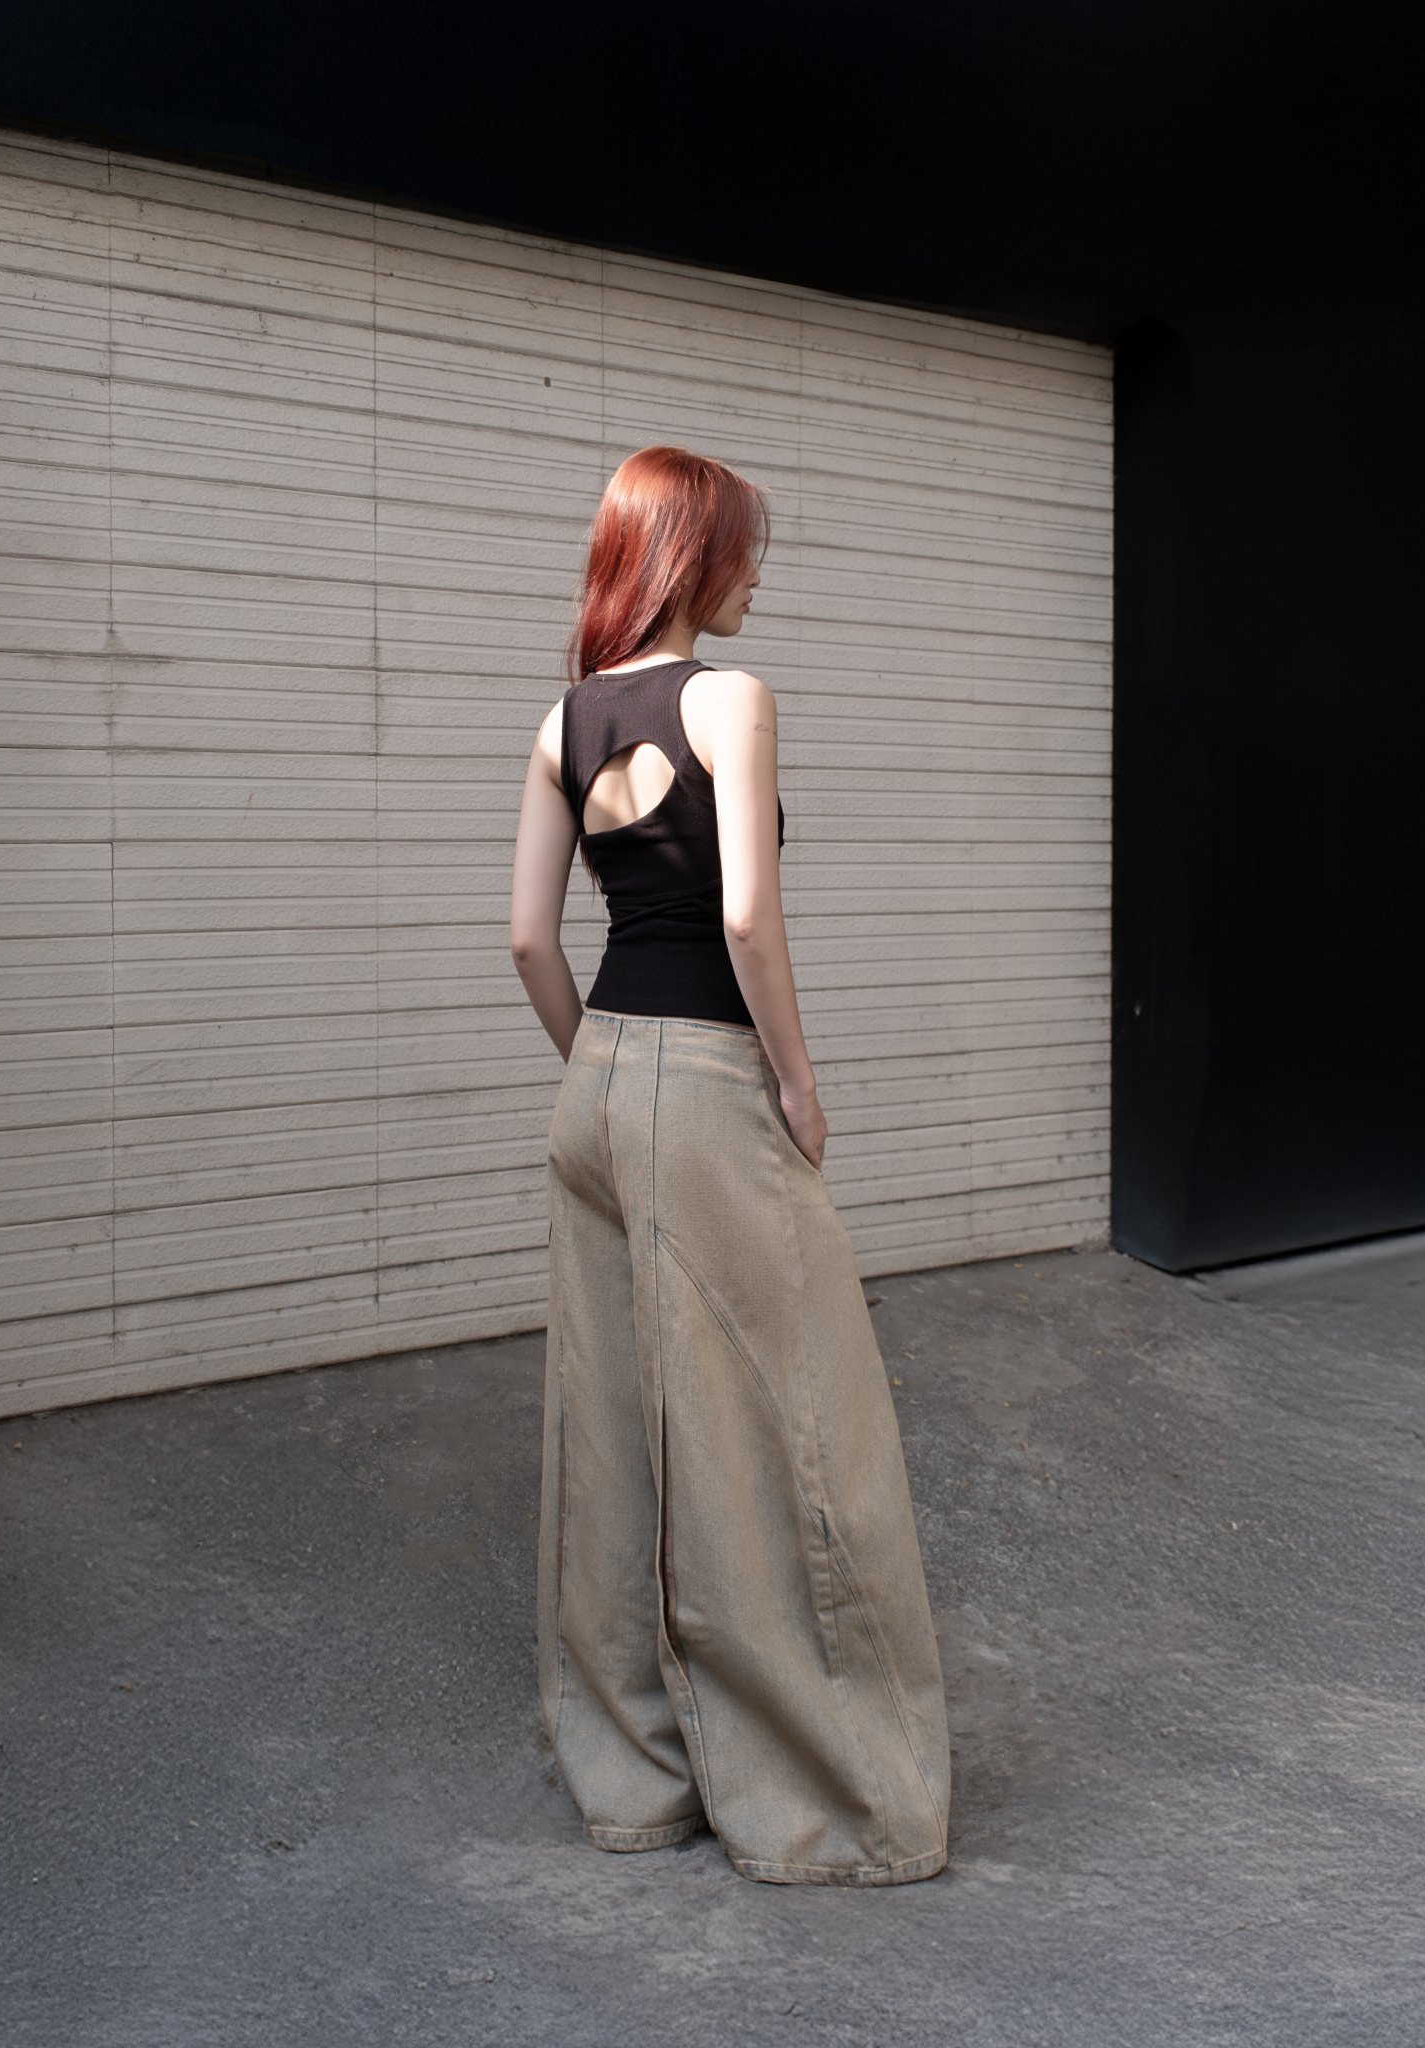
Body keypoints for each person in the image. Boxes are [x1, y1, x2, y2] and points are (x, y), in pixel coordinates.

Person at [508, 444, 952, 1886]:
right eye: (744, 549)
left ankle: (632, 1778)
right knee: (797, 1428)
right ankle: (824, 1800)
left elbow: (527, 940)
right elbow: (749, 919)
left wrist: (597, 1070)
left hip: (595, 1083)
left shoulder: (564, 719)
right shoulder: (732, 698)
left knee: (609, 1435)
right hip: (709, 1083)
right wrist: (797, 1084)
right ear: (690, 556)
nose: (757, 575)